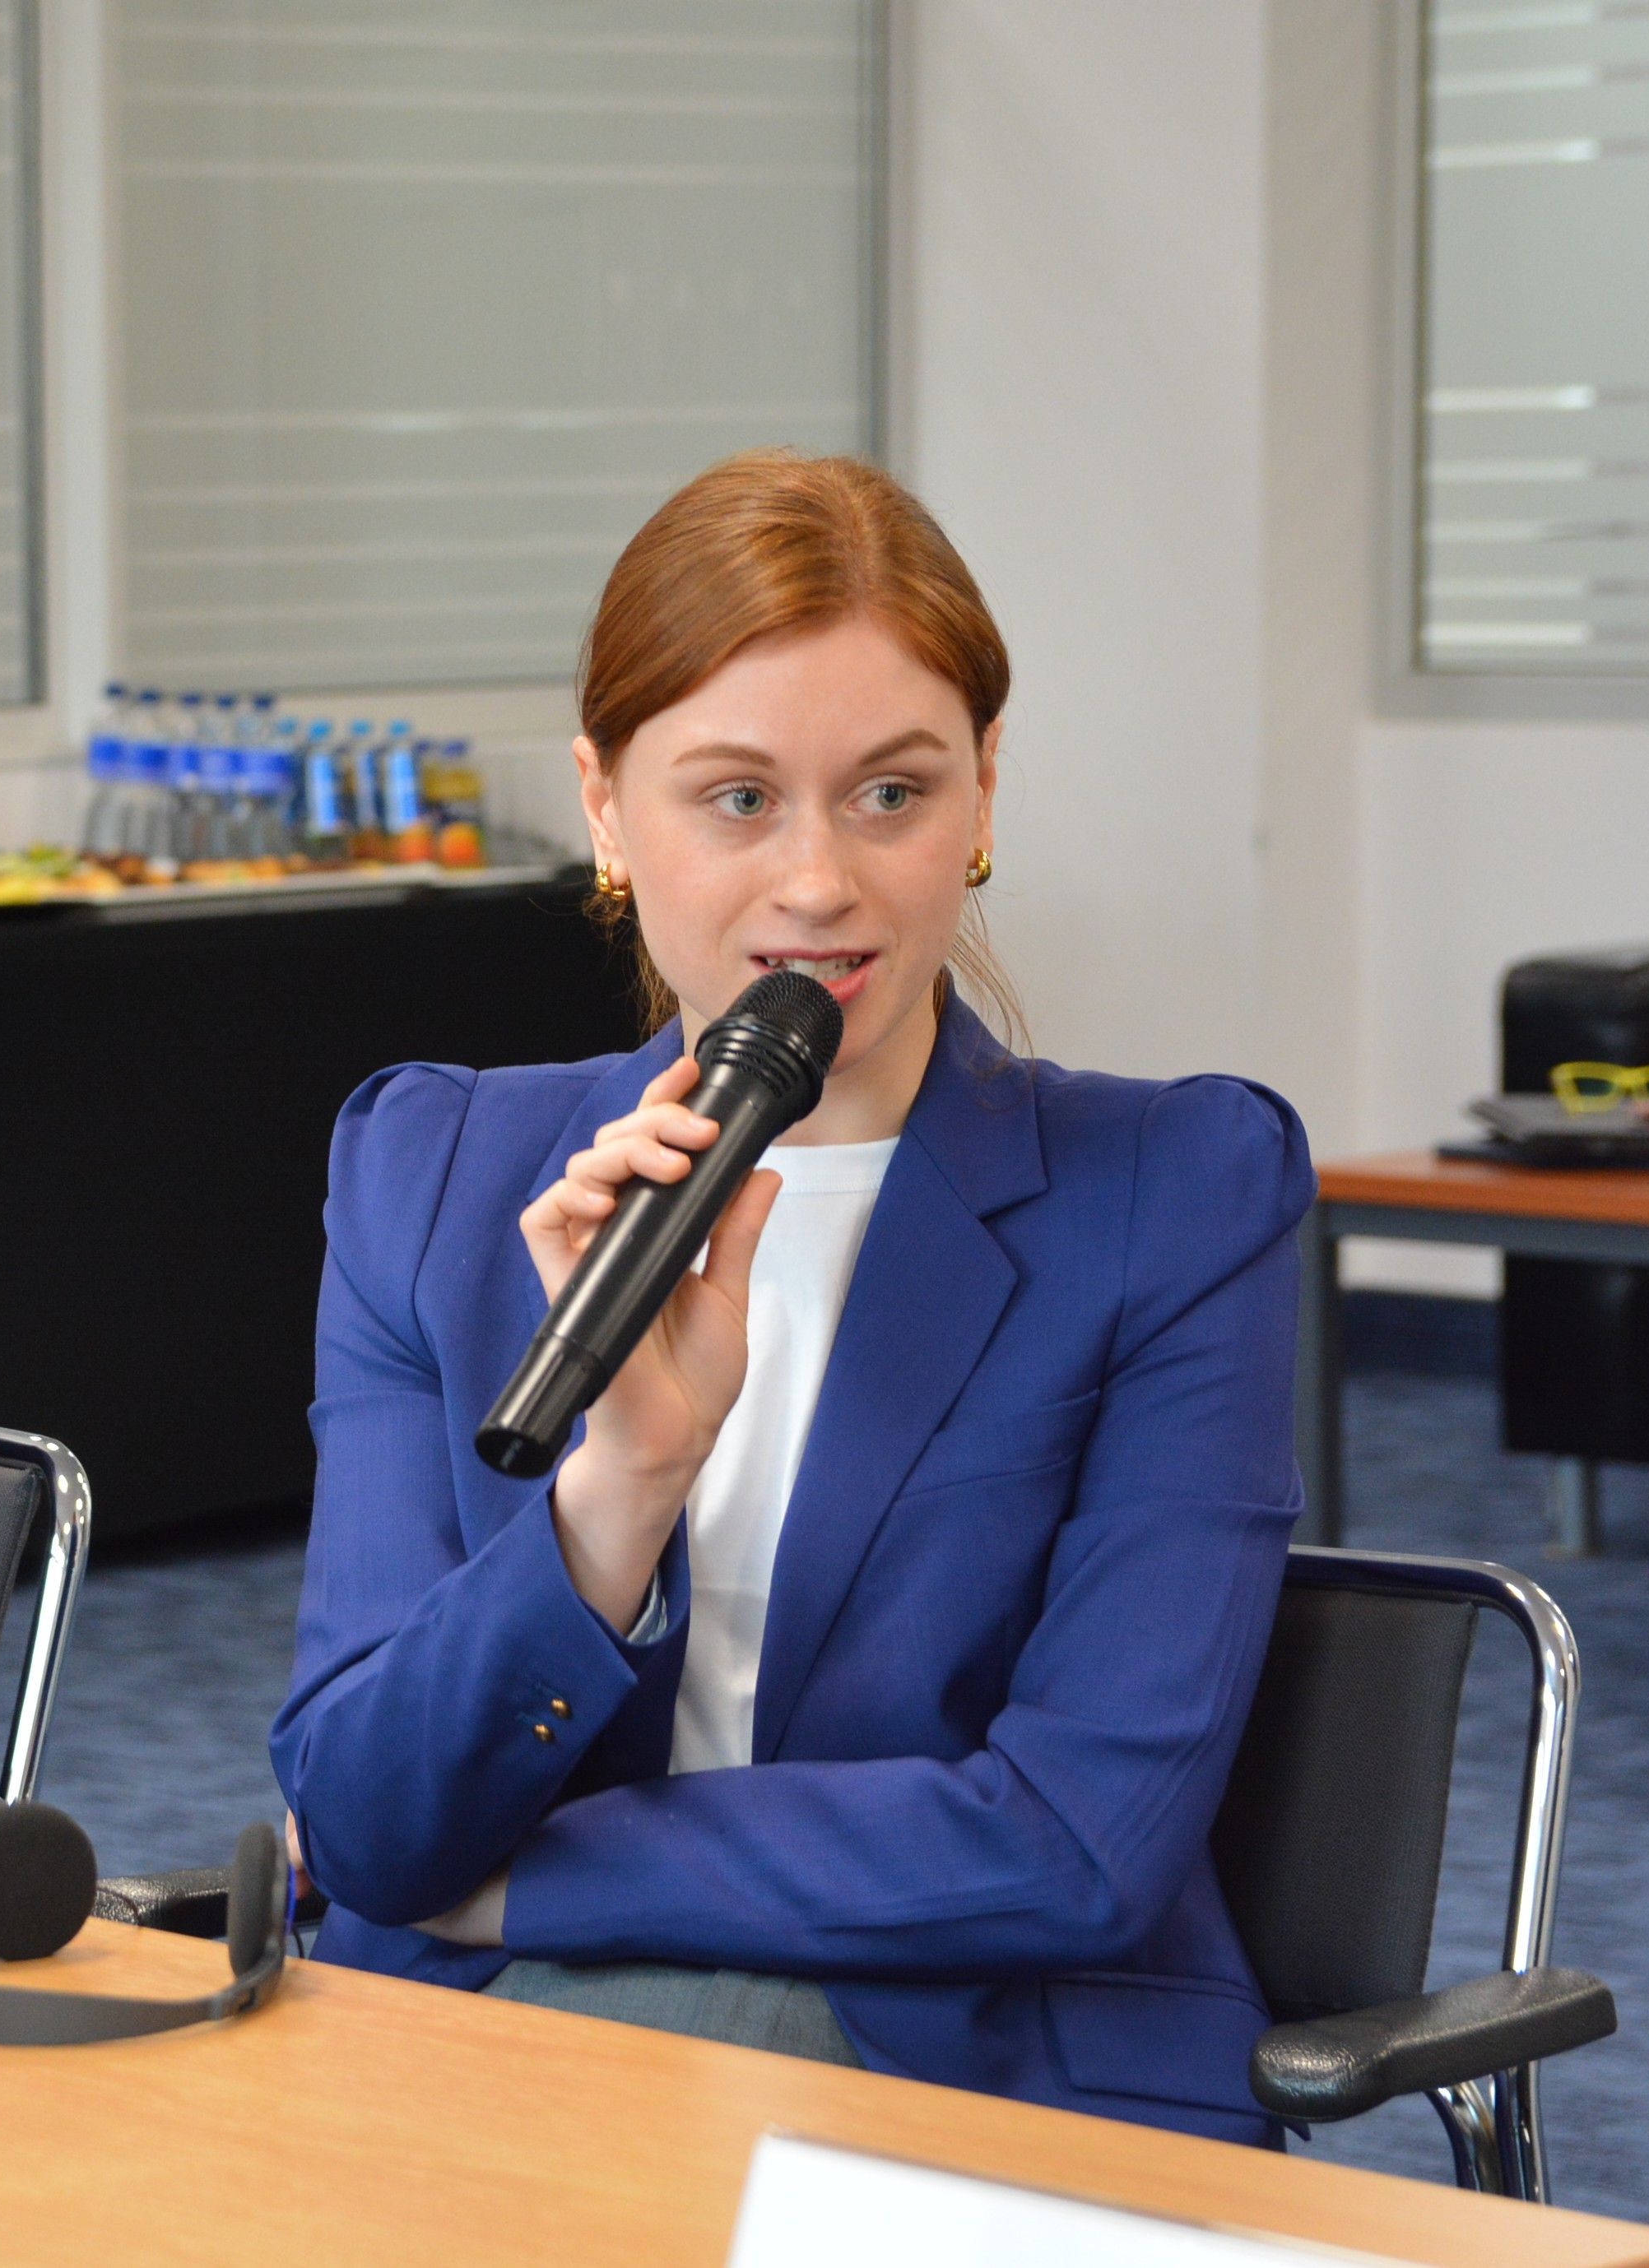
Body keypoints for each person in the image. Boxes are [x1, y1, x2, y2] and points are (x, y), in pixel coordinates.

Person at [272, 450, 1309, 2145]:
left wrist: (522, 1882)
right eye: (737, 798)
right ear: (606, 808)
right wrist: (618, 1491)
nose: (819, 880)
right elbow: (368, 1816)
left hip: (960, 2045)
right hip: (487, 2051)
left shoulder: (1173, 1191)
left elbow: (1076, 1840)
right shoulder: (430, 1170)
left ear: (982, 791)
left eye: (891, 792)